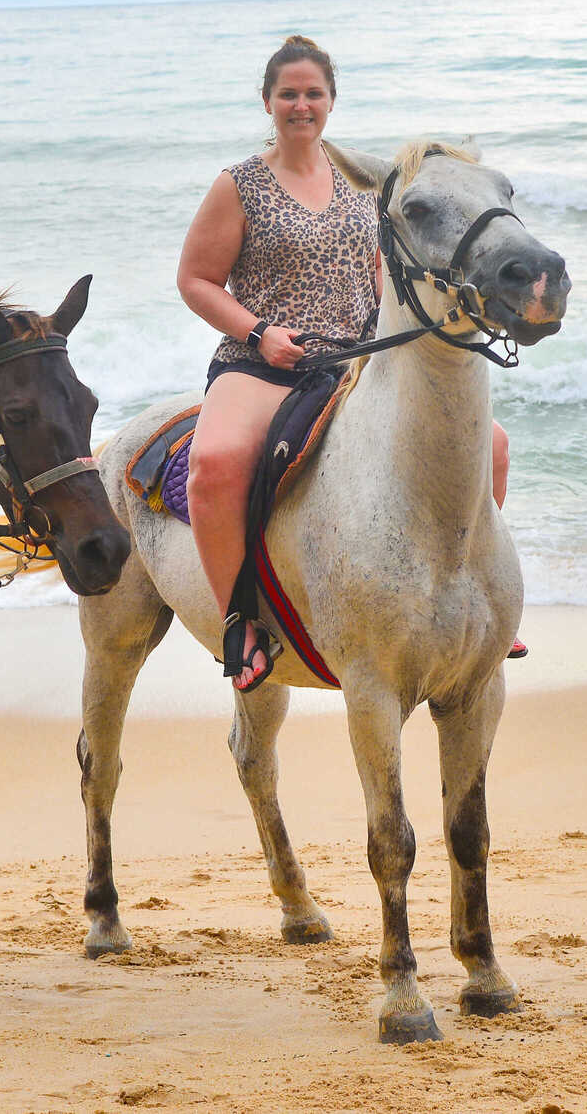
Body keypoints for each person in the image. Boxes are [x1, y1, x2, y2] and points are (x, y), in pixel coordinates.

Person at [177, 35, 513, 689]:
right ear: (267, 102)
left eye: (313, 93)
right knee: (213, 465)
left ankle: (476, 599)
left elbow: (390, 274)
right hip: (263, 363)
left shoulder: (367, 183)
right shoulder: (238, 185)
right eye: (288, 94)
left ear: (331, 101)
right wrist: (259, 333)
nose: (301, 105)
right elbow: (196, 280)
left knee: (491, 446)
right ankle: (238, 621)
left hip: (356, 362)